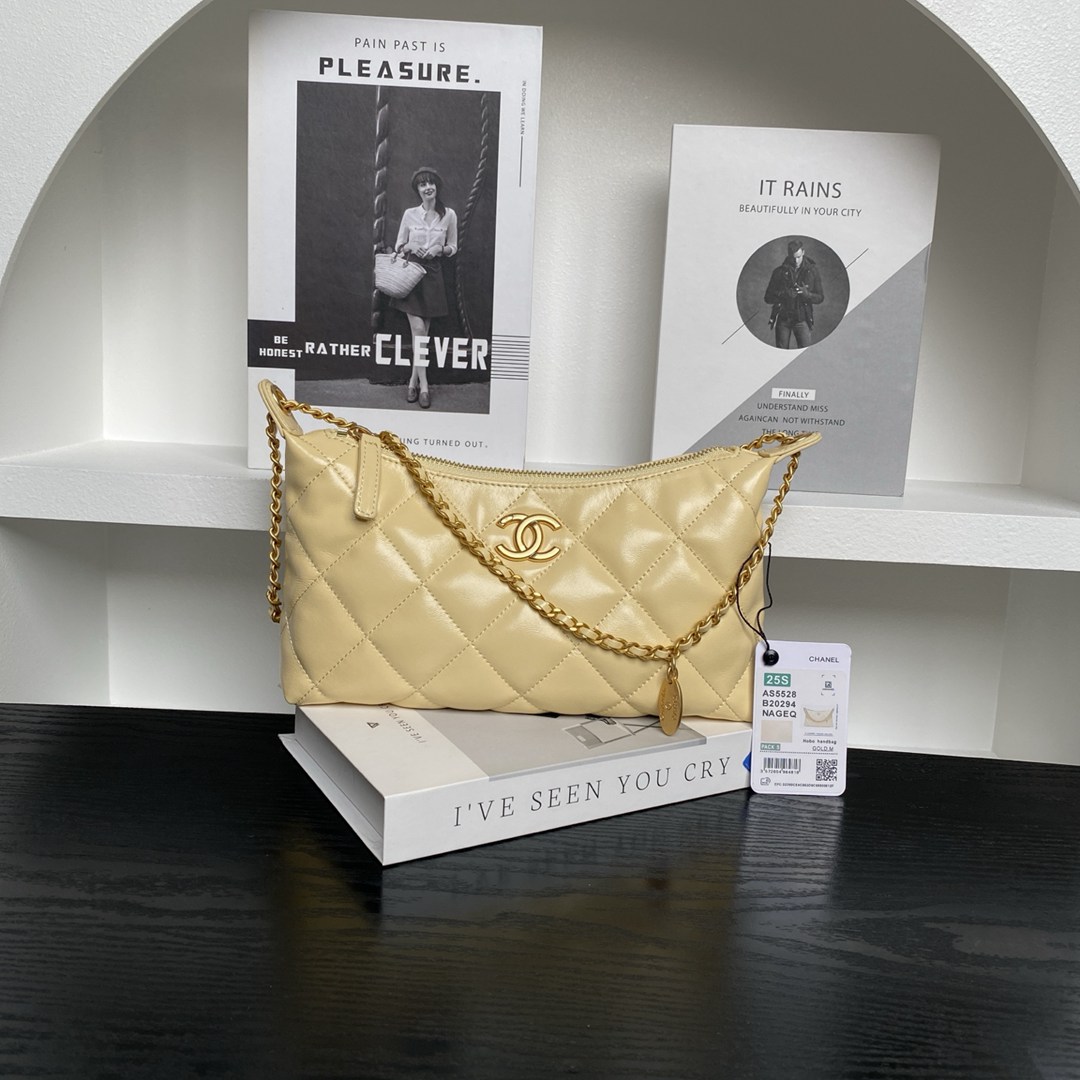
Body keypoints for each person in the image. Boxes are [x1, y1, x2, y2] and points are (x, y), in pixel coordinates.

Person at [390, 167, 458, 408]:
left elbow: (453, 247)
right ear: (417, 190)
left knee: (422, 335)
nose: (428, 187)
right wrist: (410, 247)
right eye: (422, 184)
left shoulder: (449, 215)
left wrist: (440, 249)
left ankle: (412, 382)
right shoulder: (410, 214)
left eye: (431, 183)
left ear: (436, 187)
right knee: (419, 330)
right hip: (412, 274)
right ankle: (425, 386)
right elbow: (398, 246)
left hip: (434, 275)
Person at [764, 239, 824, 349]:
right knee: (780, 352)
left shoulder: (813, 271)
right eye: (793, 257)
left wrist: (807, 295)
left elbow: (820, 297)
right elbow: (767, 298)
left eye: (798, 257)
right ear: (788, 255)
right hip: (783, 319)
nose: (796, 261)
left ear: (803, 252)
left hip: (802, 319)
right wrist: (784, 295)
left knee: (805, 352)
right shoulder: (779, 272)